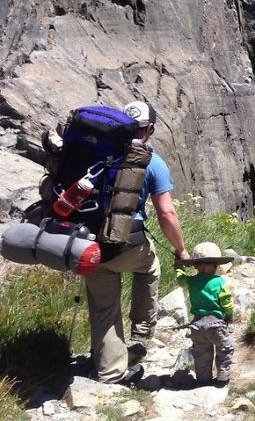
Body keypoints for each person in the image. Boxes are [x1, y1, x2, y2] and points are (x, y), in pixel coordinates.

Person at [84, 100, 190, 385]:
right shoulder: (151, 161)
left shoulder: (98, 153)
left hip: (90, 246)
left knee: (105, 309)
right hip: (128, 244)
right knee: (150, 267)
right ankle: (141, 333)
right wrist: (181, 250)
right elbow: (167, 213)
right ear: (149, 129)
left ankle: (109, 371)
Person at [175, 242, 236, 385]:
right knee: (225, 347)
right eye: (215, 265)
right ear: (215, 265)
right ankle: (223, 373)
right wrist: (230, 315)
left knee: (202, 352)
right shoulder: (220, 282)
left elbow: (180, 279)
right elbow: (226, 301)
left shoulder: (191, 281)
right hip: (216, 324)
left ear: (196, 266)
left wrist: (178, 266)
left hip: (197, 325)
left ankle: (203, 379)